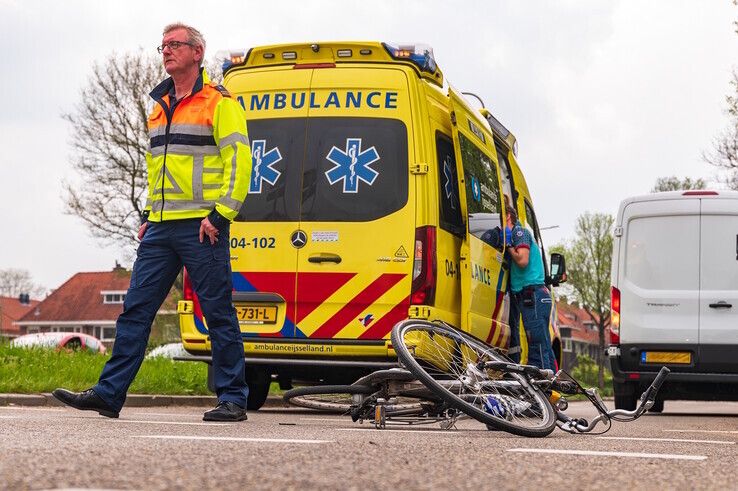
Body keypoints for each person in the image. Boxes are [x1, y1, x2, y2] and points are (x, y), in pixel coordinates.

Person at [53, 23, 252, 421]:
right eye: (162, 46)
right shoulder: (158, 105)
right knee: (135, 311)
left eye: (175, 45)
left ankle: (233, 398)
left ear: (197, 52)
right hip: (160, 227)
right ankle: (109, 394)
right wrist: (147, 214)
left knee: (217, 313)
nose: (166, 51)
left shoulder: (220, 102)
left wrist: (220, 214)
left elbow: (241, 163)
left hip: (202, 226)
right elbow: (156, 170)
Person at [504, 205, 556, 371]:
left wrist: (509, 246)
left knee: (536, 344)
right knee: (544, 344)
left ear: (506, 217)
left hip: (532, 295)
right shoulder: (522, 234)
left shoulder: (519, 233)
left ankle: (540, 384)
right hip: (535, 295)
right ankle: (550, 386)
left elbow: (522, 260)